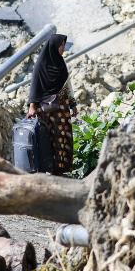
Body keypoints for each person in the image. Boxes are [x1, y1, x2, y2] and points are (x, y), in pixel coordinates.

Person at [26, 33, 77, 174]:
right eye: (62, 46)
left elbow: (67, 86)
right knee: (47, 141)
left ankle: (60, 170)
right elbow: (35, 88)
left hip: (61, 112)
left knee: (63, 140)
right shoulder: (40, 66)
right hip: (45, 112)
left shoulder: (60, 63)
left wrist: (73, 105)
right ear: (55, 46)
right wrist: (32, 107)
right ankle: (45, 169)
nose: (63, 49)